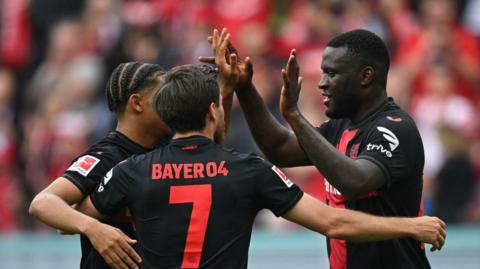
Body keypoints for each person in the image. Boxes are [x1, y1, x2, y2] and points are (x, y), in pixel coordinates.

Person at [74, 63, 445, 269]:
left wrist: (93, 228)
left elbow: (72, 211)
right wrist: (410, 226)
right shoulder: (248, 170)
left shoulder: (131, 171)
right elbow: (333, 222)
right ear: (214, 111)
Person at [202, 29, 434, 268]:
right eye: (323, 73)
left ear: (365, 76)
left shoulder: (394, 128)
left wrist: (294, 115)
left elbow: (354, 182)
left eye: (332, 74)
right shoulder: (340, 127)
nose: (322, 84)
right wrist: (244, 86)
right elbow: (280, 148)